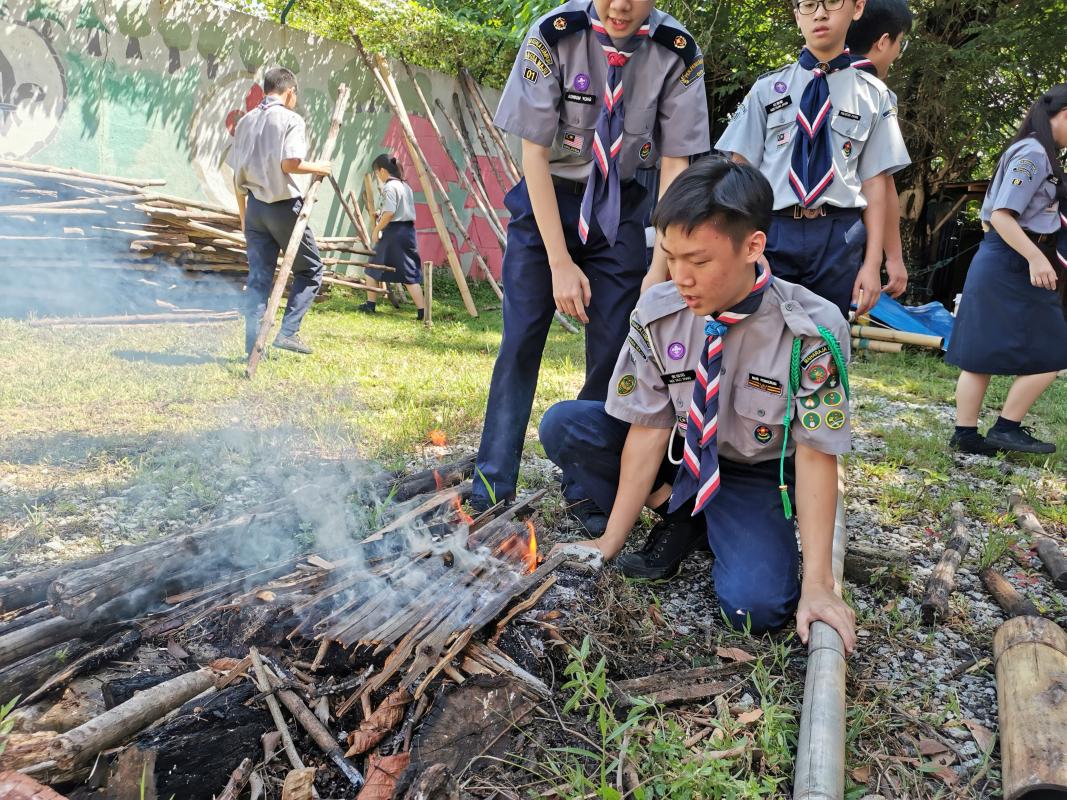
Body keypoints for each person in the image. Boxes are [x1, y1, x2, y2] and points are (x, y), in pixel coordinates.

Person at [540, 158, 856, 650]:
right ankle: (681, 514)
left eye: (699, 261)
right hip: (678, 453)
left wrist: (818, 583)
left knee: (757, 610)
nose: (680, 277)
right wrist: (610, 543)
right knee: (565, 426)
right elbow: (646, 430)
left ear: (753, 245)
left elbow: (817, 454)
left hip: (753, 472)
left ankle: (706, 521)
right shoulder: (658, 312)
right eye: (670, 255)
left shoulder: (812, 332)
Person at [470, 0, 712, 521]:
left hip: (620, 206)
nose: (620, 6)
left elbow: (676, 165)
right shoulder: (554, 34)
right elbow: (531, 154)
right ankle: (491, 484)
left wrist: (659, 266)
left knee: (613, 349)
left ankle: (585, 485)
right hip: (546, 200)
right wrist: (559, 263)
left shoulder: (677, 52)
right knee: (520, 341)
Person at [687, 0, 910, 320]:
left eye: (832, 3)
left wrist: (873, 263)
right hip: (772, 230)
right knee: (757, 333)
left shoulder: (874, 96)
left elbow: (876, 185)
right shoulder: (766, 89)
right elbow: (740, 171)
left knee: (825, 339)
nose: (819, 13)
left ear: (857, 8)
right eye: (807, 5)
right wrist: (745, 243)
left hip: (837, 236)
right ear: (797, 16)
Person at [945, 85, 1067, 456]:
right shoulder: (1032, 154)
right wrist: (1035, 257)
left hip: (1009, 258)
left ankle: (970, 435)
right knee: (1055, 348)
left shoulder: (1041, 153)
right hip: (1014, 259)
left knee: (983, 353)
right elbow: (1001, 215)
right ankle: (1002, 429)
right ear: (1056, 116)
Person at [230, 67, 332, 356]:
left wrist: (243, 217)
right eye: (295, 96)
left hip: (255, 210)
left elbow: (235, 175)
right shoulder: (291, 119)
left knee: (258, 279)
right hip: (282, 208)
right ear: (290, 92)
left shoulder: (246, 120)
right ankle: (288, 333)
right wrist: (319, 167)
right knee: (311, 269)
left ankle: (252, 347)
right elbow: (290, 164)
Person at [846, 0, 913, 298]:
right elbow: (882, 180)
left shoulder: (788, 81)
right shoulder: (877, 95)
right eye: (900, 42)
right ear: (884, 42)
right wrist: (893, 258)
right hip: (838, 238)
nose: (898, 52)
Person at [357, 154, 427, 321]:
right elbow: (398, 209)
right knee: (409, 273)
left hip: (393, 233)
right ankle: (422, 311)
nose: (377, 177)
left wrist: (376, 230)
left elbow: (390, 213)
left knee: (371, 268)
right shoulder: (405, 186)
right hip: (407, 232)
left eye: (377, 173)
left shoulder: (389, 187)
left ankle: (370, 305)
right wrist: (380, 215)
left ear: (382, 170)